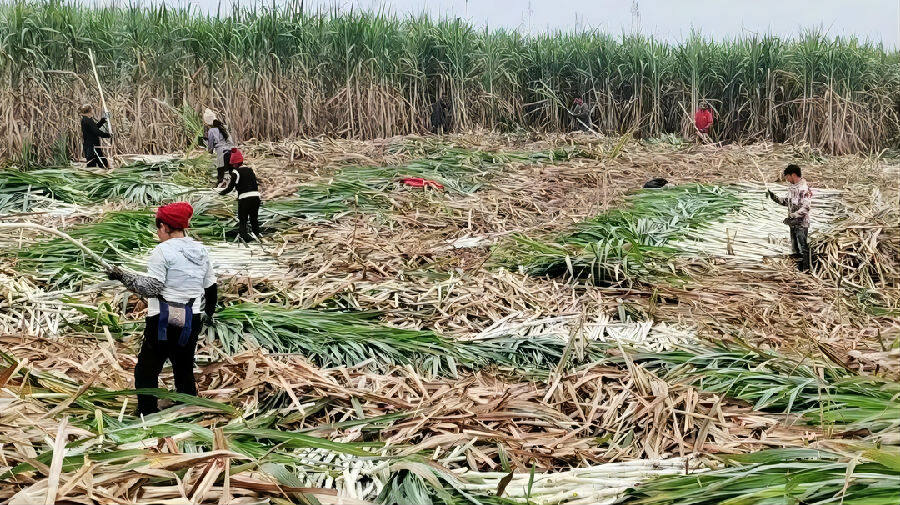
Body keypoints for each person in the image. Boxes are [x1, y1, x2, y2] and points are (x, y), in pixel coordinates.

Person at [106, 202, 217, 416]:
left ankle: (146, 413)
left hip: (164, 320)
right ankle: (188, 406)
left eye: (158, 228)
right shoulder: (201, 250)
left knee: (147, 369)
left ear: (165, 226)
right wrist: (208, 315)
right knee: (183, 365)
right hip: (191, 319)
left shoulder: (162, 251)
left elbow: (152, 287)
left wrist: (122, 276)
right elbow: (210, 287)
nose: (158, 233)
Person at [767, 164, 813, 272]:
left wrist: (793, 216)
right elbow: (788, 202)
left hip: (801, 224)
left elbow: (806, 207)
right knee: (794, 248)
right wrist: (775, 198)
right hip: (792, 223)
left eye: (787, 177)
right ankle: (798, 270)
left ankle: (806, 271)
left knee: (803, 247)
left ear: (793, 175)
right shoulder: (793, 188)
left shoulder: (804, 188)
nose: (786, 179)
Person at [219, 148, 262, 242]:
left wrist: (220, 193)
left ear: (234, 164)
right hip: (256, 197)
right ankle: (257, 234)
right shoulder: (250, 170)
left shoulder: (235, 172)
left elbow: (230, 188)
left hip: (245, 199)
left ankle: (245, 237)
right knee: (254, 218)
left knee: (243, 220)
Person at [201, 109, 234, 186]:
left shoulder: (211, 131)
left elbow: (210, 146)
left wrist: (209, 152)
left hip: (221, 153)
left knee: (221, 172)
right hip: (231, 151)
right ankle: (232, 186)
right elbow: (230, 140)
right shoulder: (224, 127)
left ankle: (220, 186)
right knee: (230, 171)